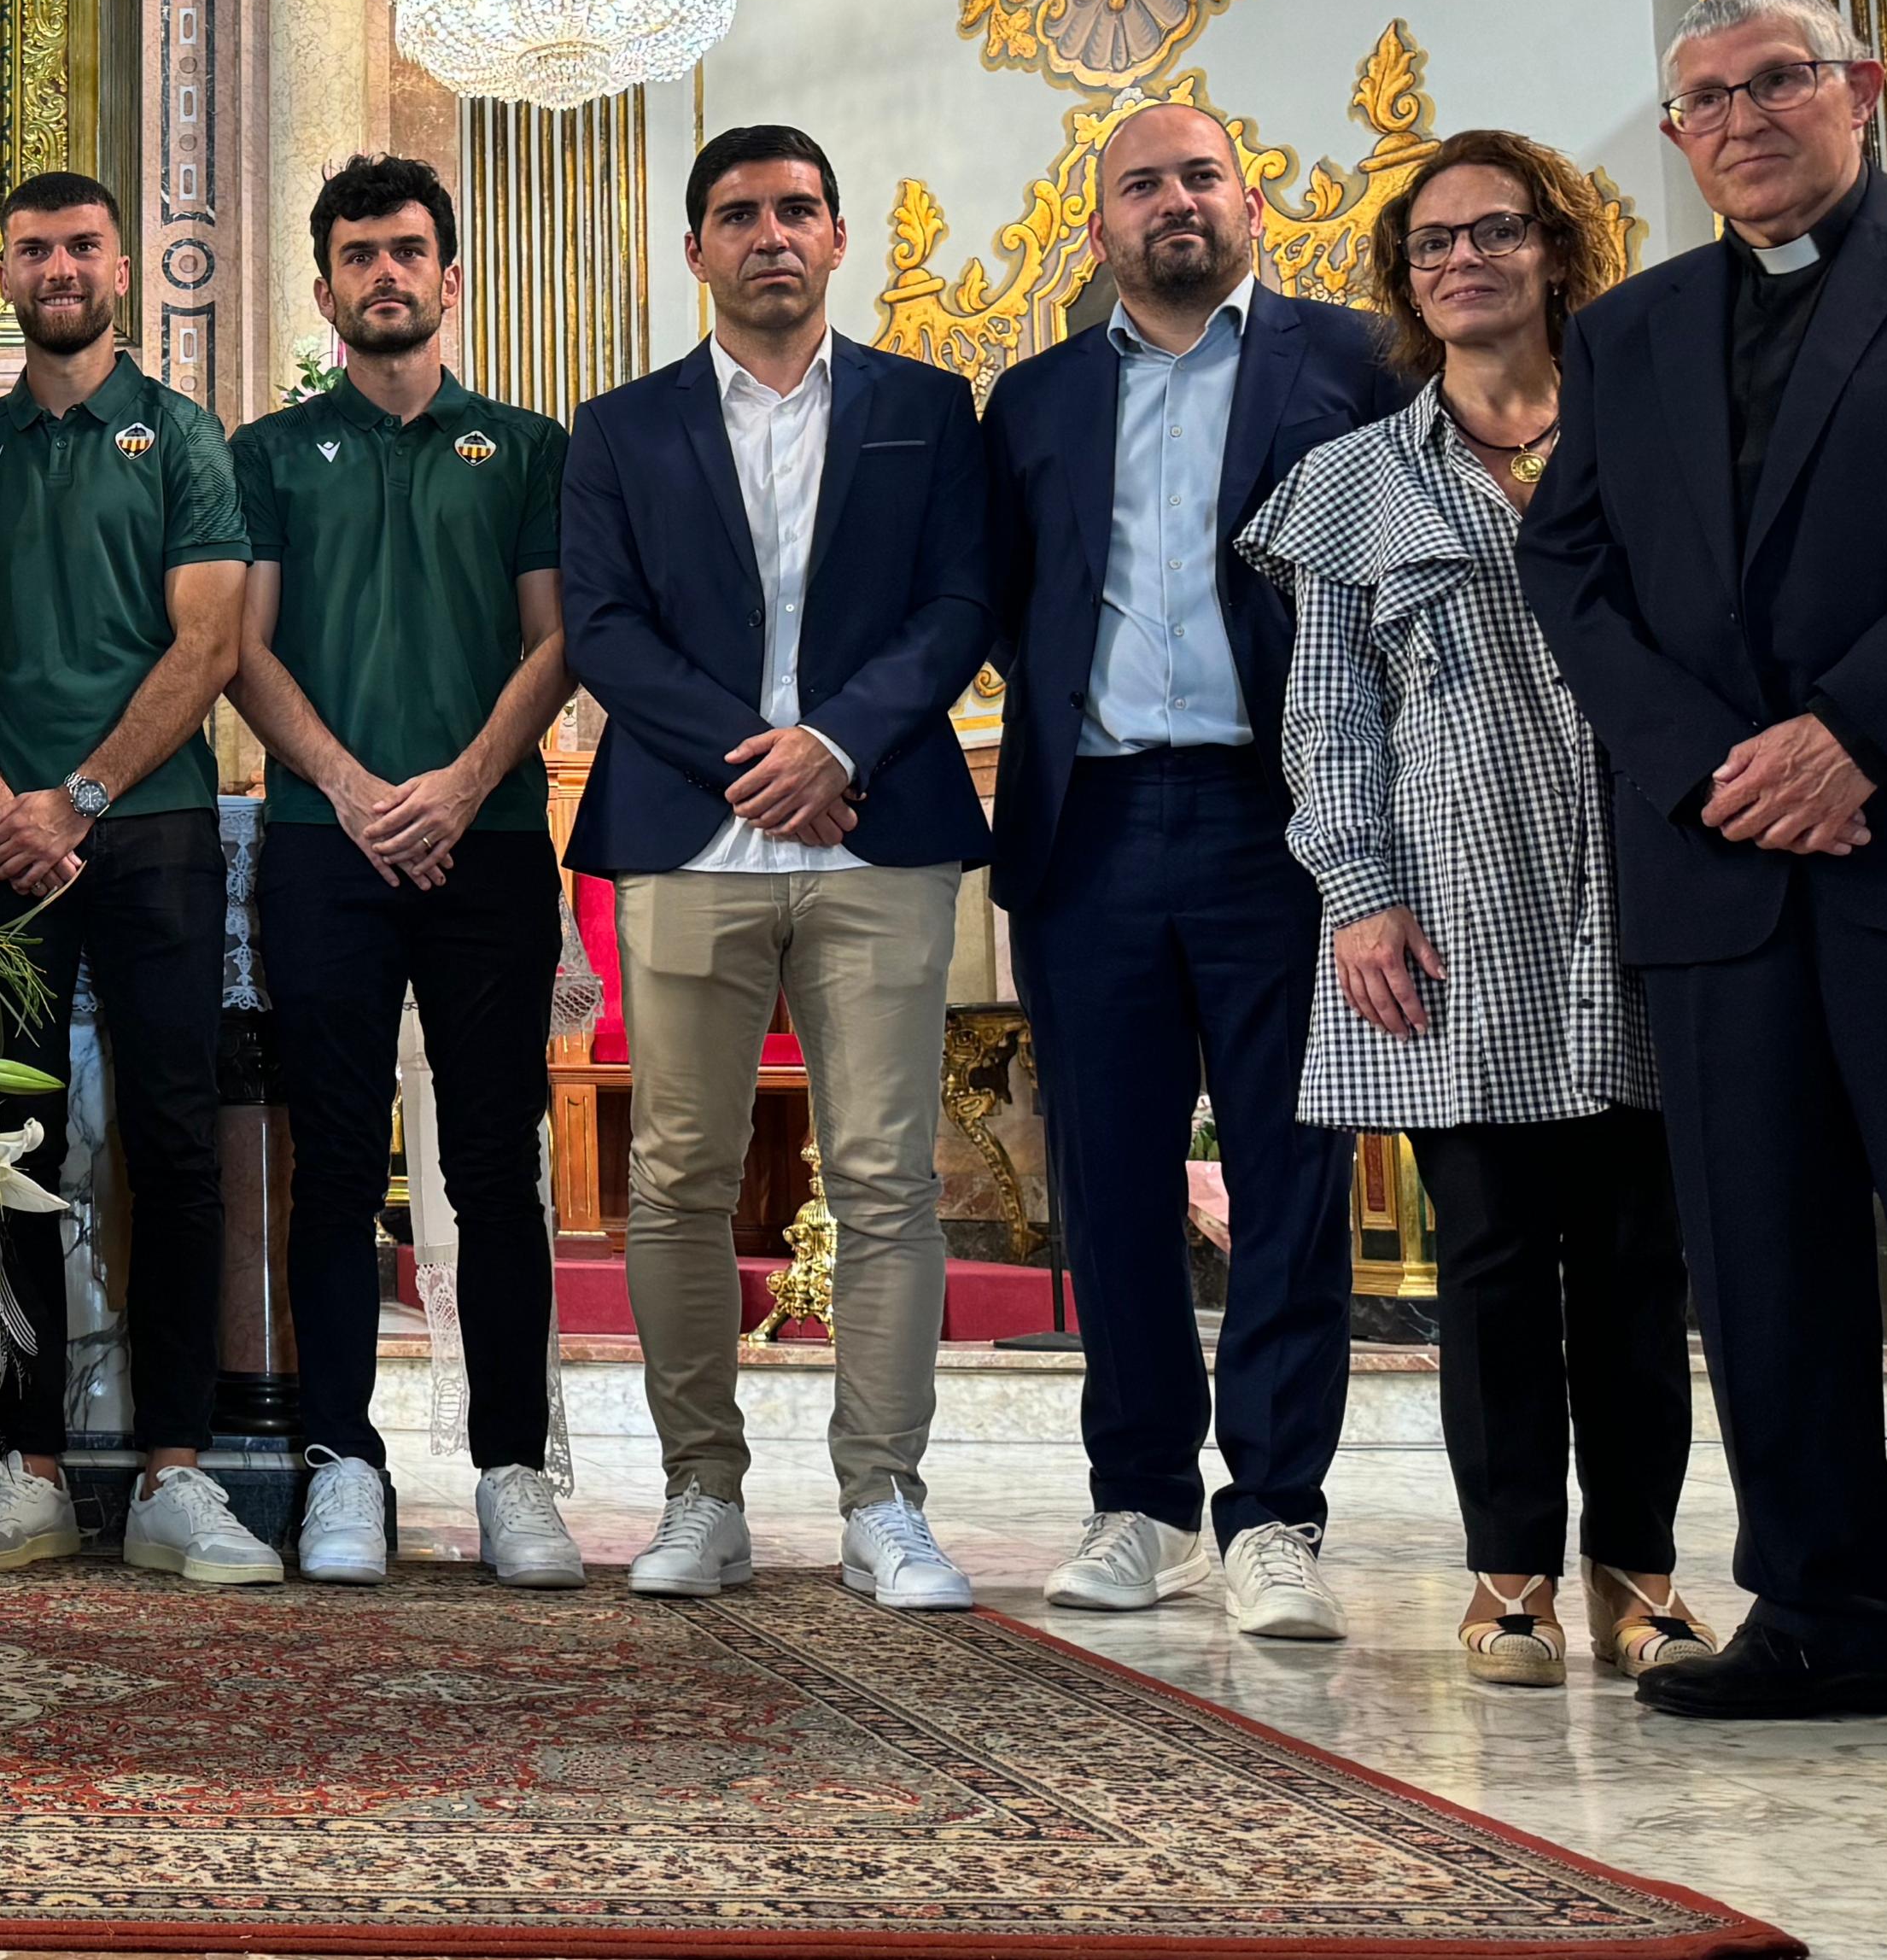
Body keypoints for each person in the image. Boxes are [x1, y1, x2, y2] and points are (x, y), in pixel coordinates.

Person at [1522, 0, 1887, 1768]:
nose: (1741, 119)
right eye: (1702, 101)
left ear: (1860, 87)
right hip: (1721, 868)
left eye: (1775, 81)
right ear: (1678, 142)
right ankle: (1826, 1613)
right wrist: (1713, 761)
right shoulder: (1629, 328)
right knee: (1759, 1267)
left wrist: (1857, 732)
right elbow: (1571, 572)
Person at [1238, 129, 1712, 1690]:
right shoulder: (1353, 480)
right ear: (1403, 281)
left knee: (1643, 1254)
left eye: (1495, 231)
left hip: (1650, 881)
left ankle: (1641, 1571)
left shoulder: (1658, 436)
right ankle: (1508, 1572)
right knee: (1497, 1255)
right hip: (1460, 906)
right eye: (1432, 243)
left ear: (1556, 249)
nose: (1463, 261)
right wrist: (1360, 895)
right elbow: (1328, 712)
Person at [561, 127, 991, 1615]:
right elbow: (605, 630)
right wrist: (760, 748)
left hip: (881, 833)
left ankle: (885, 1499)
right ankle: (701, 1492)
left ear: (838, 234)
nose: (770, 236)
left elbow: (960, 604)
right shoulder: (620, 427)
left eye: (796, 210)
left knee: (886, 1178)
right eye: (738, 215)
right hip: (690, 833)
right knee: (675, 1177)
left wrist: (841, 744)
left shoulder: (931, 409)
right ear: (694, 252)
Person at [983, 99, 1394, 1639]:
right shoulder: (1029, 402)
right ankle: (1142, 1502)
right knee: (1110, 1175)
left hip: (1283, 816)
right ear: (1098, 228)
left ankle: (1276, 1512)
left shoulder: (1352, 365)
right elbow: (1017, 611)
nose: (1175, 203)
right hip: (1089, 825)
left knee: (1293, 1169)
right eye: (1141, 184)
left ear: (1250, 203)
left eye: (1200, 176)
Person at [0, 173, 275, 1588]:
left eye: (78, 246)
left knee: (176, 1148)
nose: (57, 268)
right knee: (13, 1150)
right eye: (31, 250)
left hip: (158, 829)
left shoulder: (181, 435)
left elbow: (210, 641)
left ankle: (179, 1467)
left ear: (123, 263)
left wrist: (87, 793)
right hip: (2, 843)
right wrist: (3, 802)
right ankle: (32, 1461)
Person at [226, 157, 578, 1591]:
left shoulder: (528, 447)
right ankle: (341, 1466)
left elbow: (557, 640)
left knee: (497, 1168)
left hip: (486, 845)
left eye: (410, 252)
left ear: (449, 279)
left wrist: (460, 782)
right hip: (324, 849)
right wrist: (359, 788)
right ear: (325, 288)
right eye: (359, 254)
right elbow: (242, 649)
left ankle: (511, 1469)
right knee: (328, 1171)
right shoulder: (267, 452)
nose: (386, 273)